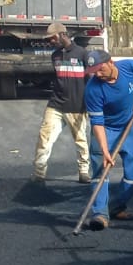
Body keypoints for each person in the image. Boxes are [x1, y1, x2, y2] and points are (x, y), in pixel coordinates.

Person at [83, 49, 133, 231]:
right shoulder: (93, 89)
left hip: (129, 126)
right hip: (105, 129)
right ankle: (100, 214)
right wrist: (105, 150)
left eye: (100, 69)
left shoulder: (129, 66)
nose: (97, 74)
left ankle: (117, 206)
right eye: (93, 71)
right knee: (100, 171)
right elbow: (97, 123)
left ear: (111, 62)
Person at [32, 22, 91, 184]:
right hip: (55, 104)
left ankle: (83, 172)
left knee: (80, 140)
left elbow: (91, 81)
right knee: (44, 137)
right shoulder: (55, 56)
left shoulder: (82, 54)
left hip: (76, 106)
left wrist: (89, 104)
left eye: (52, 38)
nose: (50, 41)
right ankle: (39, 174)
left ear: (63, 35)